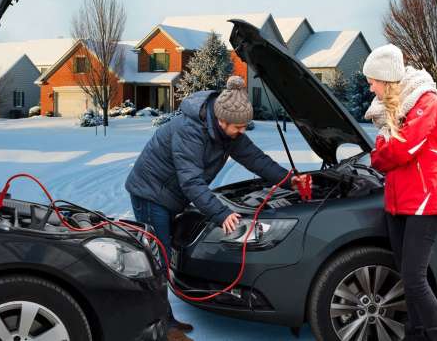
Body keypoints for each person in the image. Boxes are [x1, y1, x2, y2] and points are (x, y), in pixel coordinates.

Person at [126, 75, 310, 341]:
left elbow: (256, 159)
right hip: (150, 194)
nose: (242, 132)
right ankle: (159, 328)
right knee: (158, 260)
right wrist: (221, 214)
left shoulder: (227, 132)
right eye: (238, 127)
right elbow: (191, 182)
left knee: (163, 256)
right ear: (221, 121)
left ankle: (165, 319)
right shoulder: (190, 131)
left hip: (170, 194)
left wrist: (288, 179)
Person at [363, 44, 437, 341]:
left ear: (386, 79)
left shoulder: (427, 102)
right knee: (409, 277)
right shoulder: (395, 109)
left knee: (414, 279)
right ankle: (415, 336)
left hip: (425, 203)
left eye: (372, 80)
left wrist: (382, 151)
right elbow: (384, 150)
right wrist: (383, 150)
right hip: (399, 202)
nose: (369, 85)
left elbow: (400, 149)